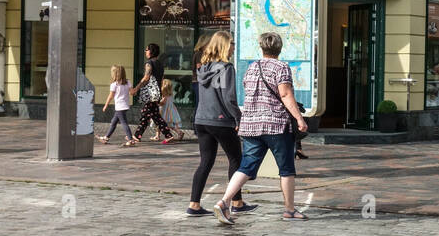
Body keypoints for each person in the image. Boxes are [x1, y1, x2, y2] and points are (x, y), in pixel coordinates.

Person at [212, 32, 309, 224]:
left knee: (246, 166)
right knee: (287, 168)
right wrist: (300, 119)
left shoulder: (251, 68)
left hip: (251, 125)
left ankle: (224, 202)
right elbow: (285, 94)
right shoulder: (282, 67)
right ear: (279, 48)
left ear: (261, 47)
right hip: (276, 125)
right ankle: (289, 210)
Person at [187, 31, 255, 218]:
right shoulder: (226, 68)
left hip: (201, 119)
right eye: (232, 43)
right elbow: (229, 97)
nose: (234, 46)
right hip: (221, 120)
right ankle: (237, 202)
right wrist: (238, 118)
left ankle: (194, 204)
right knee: (236, 160)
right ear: (225, 45)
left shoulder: (203, 68)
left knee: (205, 162)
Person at [132, 43, 175, 143]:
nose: (145, 52)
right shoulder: (160, 64)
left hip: (150, 93)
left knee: (146, 114)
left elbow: (146, 78)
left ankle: (137, 135)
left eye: (146, 50)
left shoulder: (149, 63)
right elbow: (162, 78)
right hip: (157, 92)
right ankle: (168, 135)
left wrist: (136, 88)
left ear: (151, 51)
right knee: (155, 115)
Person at [98, 65, 136, 146]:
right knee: (113, 122)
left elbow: (111, 96)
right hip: (125, 106)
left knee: (124, 123)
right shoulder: (128, 82)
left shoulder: (114, 85)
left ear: (115, 74)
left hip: (119, 107)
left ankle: (131, 140)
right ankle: (106, 137)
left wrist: (105, 105)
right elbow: (132, 92)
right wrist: (134, 91)